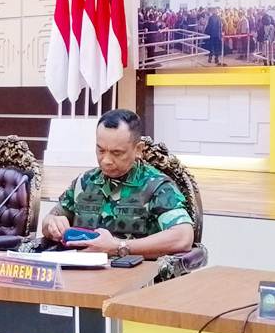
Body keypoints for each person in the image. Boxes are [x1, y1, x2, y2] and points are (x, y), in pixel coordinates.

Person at [41, 109, 195, 259]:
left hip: (134, 277)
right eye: (101, 150)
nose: (106, 160)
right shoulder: (85, 182)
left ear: (138, 149)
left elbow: (183, 236)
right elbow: (50, 219)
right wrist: (52, 225)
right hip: (79, 274)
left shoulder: (156, 186)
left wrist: (119, 247)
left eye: (116, 153)